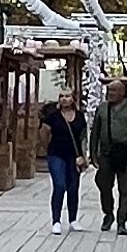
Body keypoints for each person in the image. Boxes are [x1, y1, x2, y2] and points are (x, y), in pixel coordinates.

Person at [88, 80, 127, 233]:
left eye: (114, 91)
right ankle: (108, 214)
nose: (111, 94)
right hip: (106, 153)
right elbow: (95, 132)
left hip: (126, 153)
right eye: (109, 91)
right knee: (104, 185)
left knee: (125, 188)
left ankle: (122, 220)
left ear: (122, 92)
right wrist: (93, 154)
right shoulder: (102, 108)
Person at [39, 85, 84, 229]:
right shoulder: (53, 116)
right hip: (56, 154)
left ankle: (73, 219)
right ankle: (56, 220)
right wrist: (47, 148)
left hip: (74, 156)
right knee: (59, 185)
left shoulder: (80, 116)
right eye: (62, 96)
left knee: (73, 187)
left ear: (73, 99)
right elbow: (43, 133)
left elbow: (83, 137)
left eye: (67, 96)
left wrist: (84, 155)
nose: (64, 99)